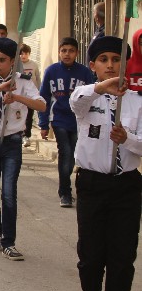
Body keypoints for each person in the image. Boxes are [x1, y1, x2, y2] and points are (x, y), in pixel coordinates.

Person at [70, 35, 142, 291]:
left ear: (126, 64)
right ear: (93, 66)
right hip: (92, 185)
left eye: (117, 59)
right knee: (91, 258)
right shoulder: (88, 98)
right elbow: (75, 102)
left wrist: (127, 139)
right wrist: (102, 87)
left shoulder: (138, 101)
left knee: (122, 260)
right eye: (104, 60)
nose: (111, 65)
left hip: (126, 186)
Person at [0, 37, 46, 261]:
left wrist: (17, 96)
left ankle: (9, 242)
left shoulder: (23, 81)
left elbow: (41, 104)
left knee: (9, 194)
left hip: (12, 143)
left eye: (1, 60)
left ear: (12, 61)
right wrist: (0, 89)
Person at [39, 37, 95, 207]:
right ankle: (65, 192)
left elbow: (93, 96)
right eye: (64, 51)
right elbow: (44, 97)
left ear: (77, 53)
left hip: (79, 121)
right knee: (66, 153)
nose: (67, 54)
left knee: (74, 156)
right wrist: (43, 124)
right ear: (59, 52)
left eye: (71, 51)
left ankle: (74, 187)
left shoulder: (85, 73)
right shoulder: (51, 71)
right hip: (59, 119)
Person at [18, 44, 42, 148]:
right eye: (21, 53)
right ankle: (18, 134)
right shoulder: (17, 65)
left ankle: (26, 135)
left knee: (29, 116)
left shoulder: (34, 65)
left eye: (26, 53)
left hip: (31, 95)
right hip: (20, 95)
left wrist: (39, 92)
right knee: (20, 115)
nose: (23, 56)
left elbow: (38, 78)